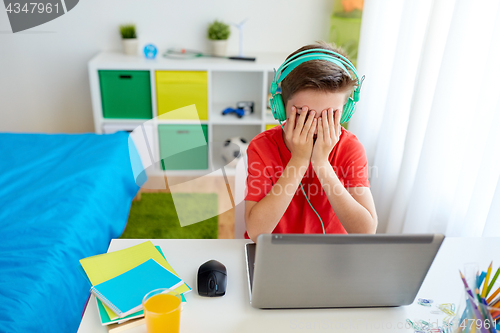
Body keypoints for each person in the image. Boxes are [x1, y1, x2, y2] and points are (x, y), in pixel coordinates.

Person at [244, 42, 377, 242]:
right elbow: (256, 232)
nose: (315, 127)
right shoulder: (262, 148)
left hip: (332, 252)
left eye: (330, 115)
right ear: (280, 108)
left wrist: (322, 164)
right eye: (304, 115)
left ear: (346, 111)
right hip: (276, 250)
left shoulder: (350, 148)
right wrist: (298, 159)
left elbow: (366, 231)